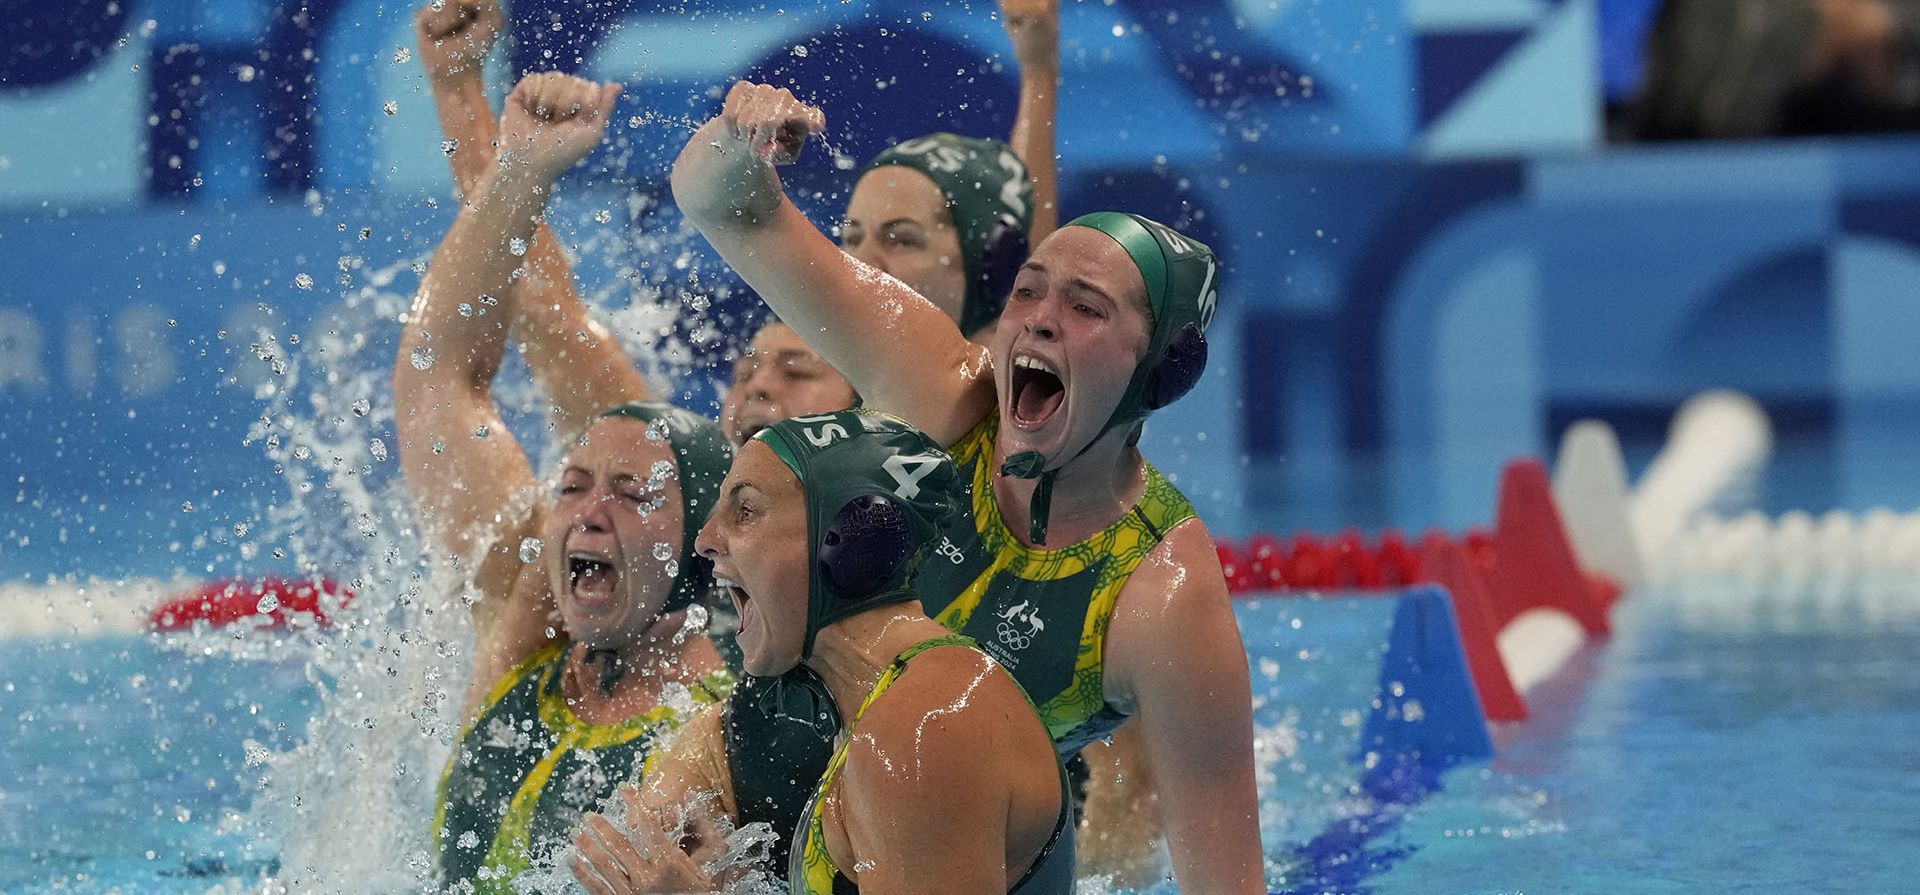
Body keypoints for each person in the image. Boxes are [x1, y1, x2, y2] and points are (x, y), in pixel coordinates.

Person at [669, 83, 1265, 893]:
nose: (1038, 321)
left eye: (1086, 308)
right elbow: (725, 208)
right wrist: (738, 146)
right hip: (790, 780)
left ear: (1165, 370)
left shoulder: (1161, 600)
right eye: (1028, 291)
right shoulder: (944, 393)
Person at [411, 0, 1060, 446]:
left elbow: (1025, 278)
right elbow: (544, 310)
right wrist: (465, 92)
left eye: (800, 372)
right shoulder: (683, 503)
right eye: (747, 371)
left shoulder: (964, 429)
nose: (759, 388)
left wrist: (1038, 70)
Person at [395, 70, 736, 893]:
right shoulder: (523, 637)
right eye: (574, 484)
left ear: (705, 542)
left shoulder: (735, 726)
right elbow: (441, 376)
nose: (587, 511)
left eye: (632, 493)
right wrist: (516, 164)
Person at [569, 410, 1074, 895]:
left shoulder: (921, 732)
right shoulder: (884, 704)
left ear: (849, 540)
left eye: (744, 511)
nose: (704, 541)